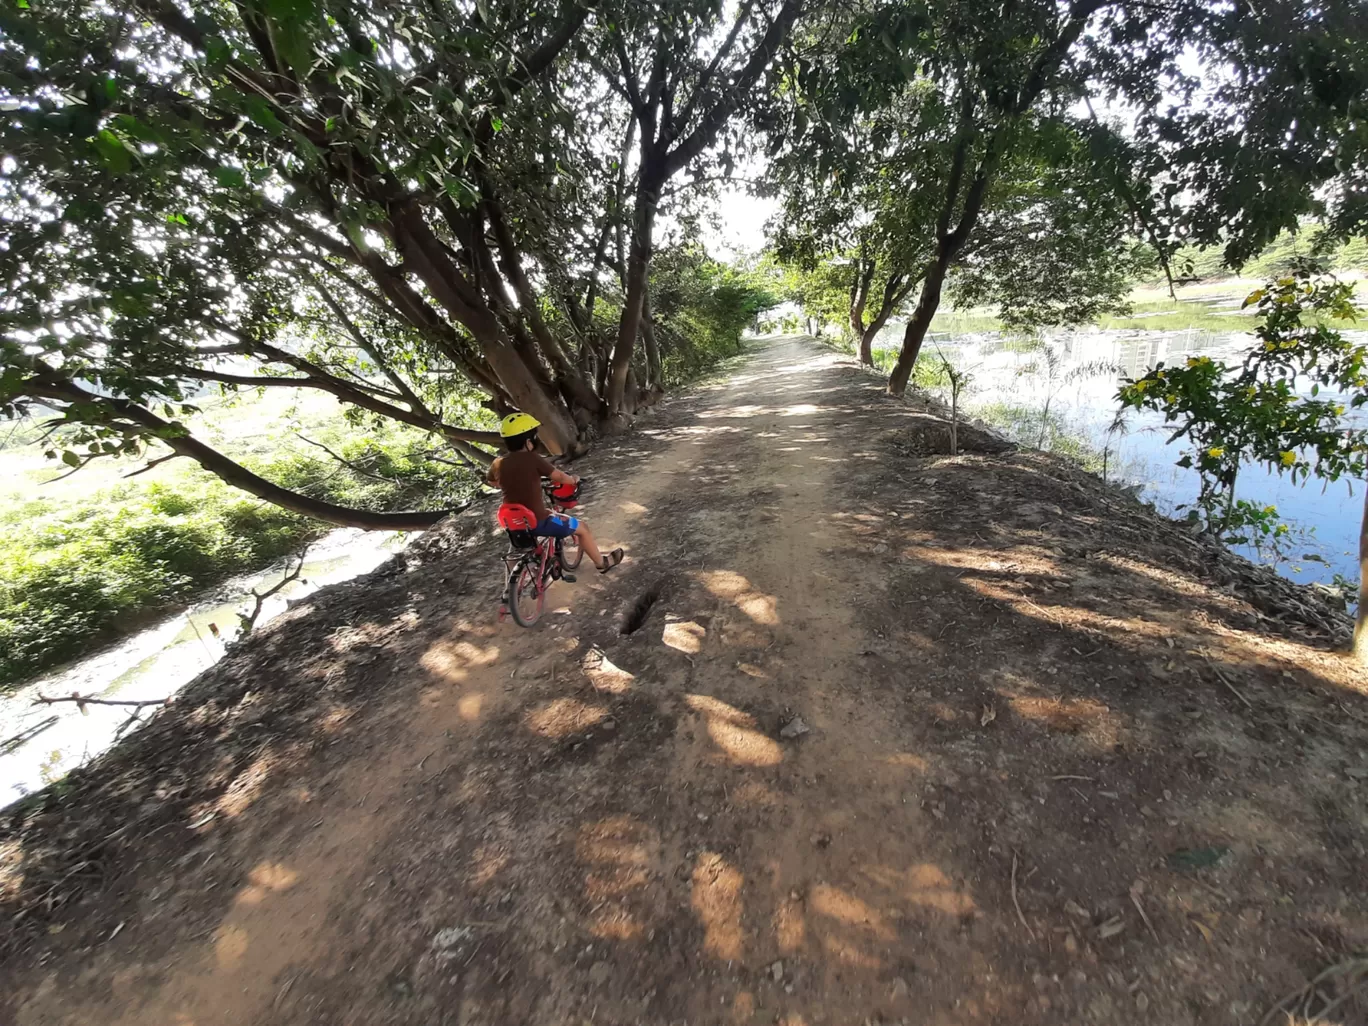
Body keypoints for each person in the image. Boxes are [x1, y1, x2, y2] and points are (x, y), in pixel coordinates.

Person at [489, 412, 624, 574]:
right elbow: (559, 476)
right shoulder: (533, 458)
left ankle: (508, 591)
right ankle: (602, 563)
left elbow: (492, 481)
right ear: (528, 442)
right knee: (582, 528)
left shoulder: (498, 463)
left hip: (511, 522)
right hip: (539, 521)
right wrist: (573, 479)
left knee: (514, 551)